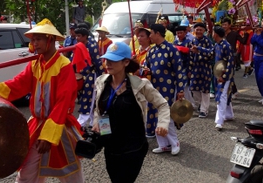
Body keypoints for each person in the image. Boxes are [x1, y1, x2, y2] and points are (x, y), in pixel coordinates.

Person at [0, 19, 84, 183]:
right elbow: (18, 84)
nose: (34, 43)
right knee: (27, 172)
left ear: (51, 39)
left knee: (70, 173)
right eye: (33, 39)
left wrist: (48, 136)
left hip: (58, 125)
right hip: (38, 124)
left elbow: (63, 102)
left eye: (38, 39)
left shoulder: (64, 65)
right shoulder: (35, 64)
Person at [93, 42, 170, 183]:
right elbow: (99, 109)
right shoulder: (101, 81)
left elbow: (163, 105)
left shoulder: (140, 85)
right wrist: (96, 122)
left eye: (113, 60)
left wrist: (163, 124)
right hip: (109, 145)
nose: (107, 63)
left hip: (133, 147)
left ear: (126, 62)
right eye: (106, 60)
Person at [143, 23, 187, 155]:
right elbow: (147, 67)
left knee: (166, 116)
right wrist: (145, 70)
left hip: (168, 89)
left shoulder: (171, 50)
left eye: (151, 33)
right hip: (153, 89)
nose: (149, 36)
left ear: (157, 33)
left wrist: (180, 90)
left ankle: (174, 143)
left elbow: (179, 71)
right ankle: (163, 145)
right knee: (156, 116)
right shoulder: (151, 51)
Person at [75, 27, 104, 127]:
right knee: (89, 100)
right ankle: (93, 124)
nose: (77, 38)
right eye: (76, 36)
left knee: (90, 99)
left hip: (92, 76)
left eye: (79, 36)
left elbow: (97, 61)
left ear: (85, 36)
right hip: (83, 76)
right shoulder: (78, 46)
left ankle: (80, 124)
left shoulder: (92, 46)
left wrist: (103, 76)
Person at [212, 26, 236, 131]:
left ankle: (219, 121)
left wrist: (224, 77)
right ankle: (229, 115)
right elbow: (210, 53)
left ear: (216, 34)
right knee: (225, 95)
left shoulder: (226, 46)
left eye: (212, 33)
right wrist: (198, 49)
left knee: (221, 96)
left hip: (225, 75)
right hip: (218, 75)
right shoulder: (217, 45)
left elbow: (231, 62)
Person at [190, 22, 214, 117]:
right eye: (197, 29)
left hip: (205, 68)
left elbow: (211, 53)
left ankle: (204, 110)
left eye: (201, 30)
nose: (199, 31)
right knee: (194, 88)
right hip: (195, 68)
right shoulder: (192, 41)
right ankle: (201, 104)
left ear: (204, 31)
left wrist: (199, 50)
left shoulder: (208, 41)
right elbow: (190, 55)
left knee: (205, 90)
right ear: (194, 30)